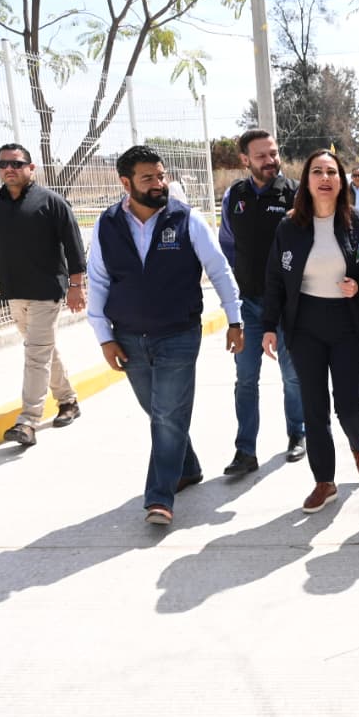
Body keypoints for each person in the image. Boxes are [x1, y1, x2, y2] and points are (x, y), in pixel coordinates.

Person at [86, 145, 243, 526]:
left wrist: (234, 319)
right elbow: (98, 282)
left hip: (178, 334)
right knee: (158, 412)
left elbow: (219, 270)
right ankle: (186, 467)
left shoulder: (186, 219)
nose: (159, 184)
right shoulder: (107, 225)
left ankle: (159, 497)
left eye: (161, 176)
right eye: (148, 178)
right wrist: (104, 337)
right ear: (126, 183)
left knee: (168, 414)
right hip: (128, 337)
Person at [262, 150, 359, 513]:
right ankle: (324, 481)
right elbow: (274, 278)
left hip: (349, 323)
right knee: (314, 407)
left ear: (341, 181)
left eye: (331, 172)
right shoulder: (289, 227)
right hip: (304, 325)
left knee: (348, 404)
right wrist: (269, 326)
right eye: (317, 171)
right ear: (306, 181)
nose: (324, 178)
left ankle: (357, 442)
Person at [0, 142, 88, 447]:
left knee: (35, 354)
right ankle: (68, 401)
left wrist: (76, 286)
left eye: (17, 164)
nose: (9, 169)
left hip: (47, 292)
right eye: (3, 164)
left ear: (31, 168)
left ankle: (28, 421)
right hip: (14, 293)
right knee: (43, 350)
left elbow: (74, 246)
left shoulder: (51, 202)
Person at [219, 128, 306, 477]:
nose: (271, 161)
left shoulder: (295, 194)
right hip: (249, 305)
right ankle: (245, 451)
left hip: (287, 306)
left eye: (273, 153)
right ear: (245, 160)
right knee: (245, 379)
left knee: (292, 376)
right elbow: (227, 243)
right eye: (261, 156)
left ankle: (298, 433)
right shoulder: (234, 196)